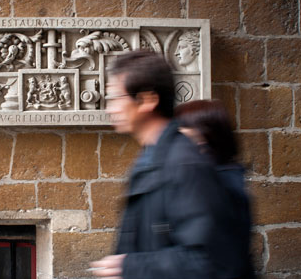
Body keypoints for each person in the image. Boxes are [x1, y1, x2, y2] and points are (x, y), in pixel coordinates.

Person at [91, 51, 245, 278]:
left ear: (147, 100)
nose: (109, 109)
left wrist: (130, 267)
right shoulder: (152, 158)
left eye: (115, 98)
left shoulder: (184, 164)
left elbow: (211, 260)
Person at [175, 99, 255, 279]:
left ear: (207, 140)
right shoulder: (218, 177)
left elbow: (212, 260)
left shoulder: (222, 186)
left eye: (184, 140)